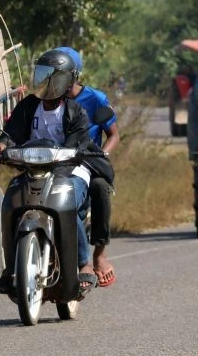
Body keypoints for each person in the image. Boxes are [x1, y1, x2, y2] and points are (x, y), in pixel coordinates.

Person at [0, 49, 99, 295]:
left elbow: (77, 146)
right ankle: (10, 269)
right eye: (44, 75)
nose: (49, 83)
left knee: (67, 202)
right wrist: (3, 146)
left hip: (70, 170)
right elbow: (11, 134)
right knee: (10, 203)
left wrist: (67, 156)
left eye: (56, 77)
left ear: (70, 81)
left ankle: (84, 263)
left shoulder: (75, 111)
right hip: (33, 169)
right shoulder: (28, 106)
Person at [57, 46, 120, 289]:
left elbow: (113, 134)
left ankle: (99, 255)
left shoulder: (95, 99)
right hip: (54, 161)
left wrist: (101, 155)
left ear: (73, 75)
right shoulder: (47, 99)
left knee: (101, 188)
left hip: (87, 161)